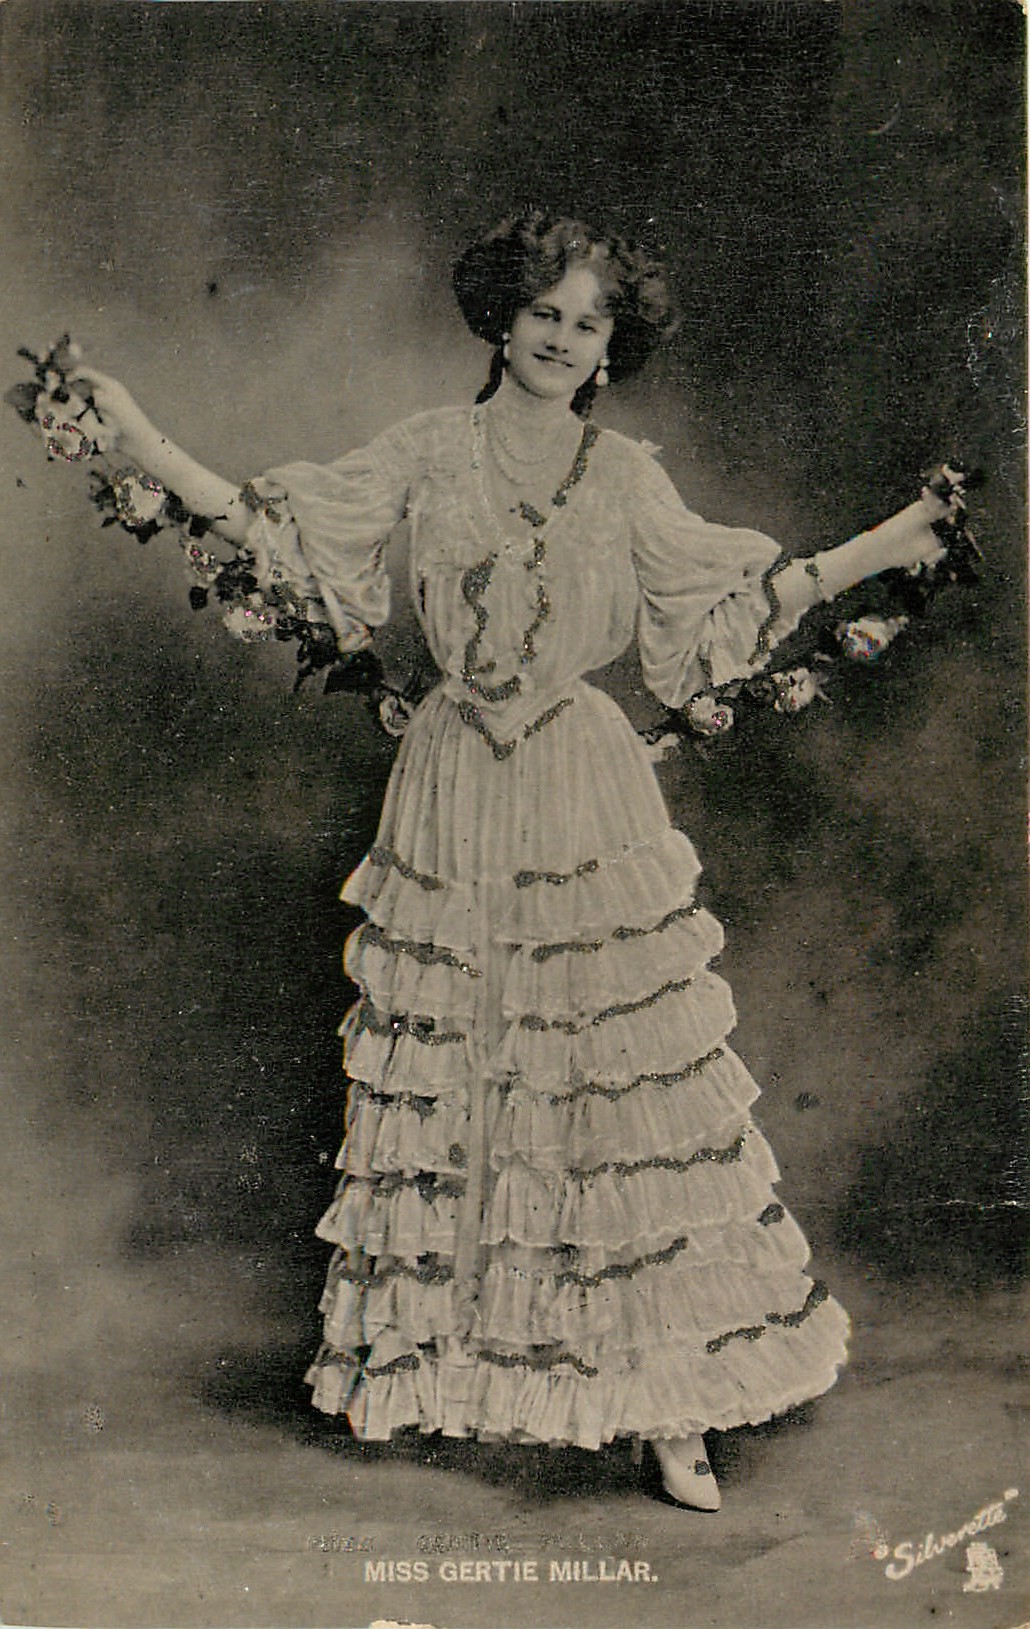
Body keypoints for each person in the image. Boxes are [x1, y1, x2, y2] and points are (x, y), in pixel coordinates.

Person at [73, 213, 958, 1512]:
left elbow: (717, 621)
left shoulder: (628, 478)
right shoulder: (429, 450)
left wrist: (882, 546)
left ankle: (668, 1404)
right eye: (544, 311)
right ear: (502, 316)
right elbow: (276, 530)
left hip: (578, 783)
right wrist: (135, 435)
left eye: (589, 322)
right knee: (465, 1058)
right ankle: (450, 1370)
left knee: (609, 1073)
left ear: (611, 346)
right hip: (448, 783)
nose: (562, 338)